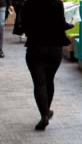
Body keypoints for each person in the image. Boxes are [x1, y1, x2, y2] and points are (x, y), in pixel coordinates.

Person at [22, 0, 73, 131]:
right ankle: (46, 111)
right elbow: (62, 25)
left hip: (35, 48)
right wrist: (69, 25)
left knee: (39, 84)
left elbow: (24, 26)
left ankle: (44, 114)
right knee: (49, 80)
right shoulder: (57, 3)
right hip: (54, 49)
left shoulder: (28, 4)